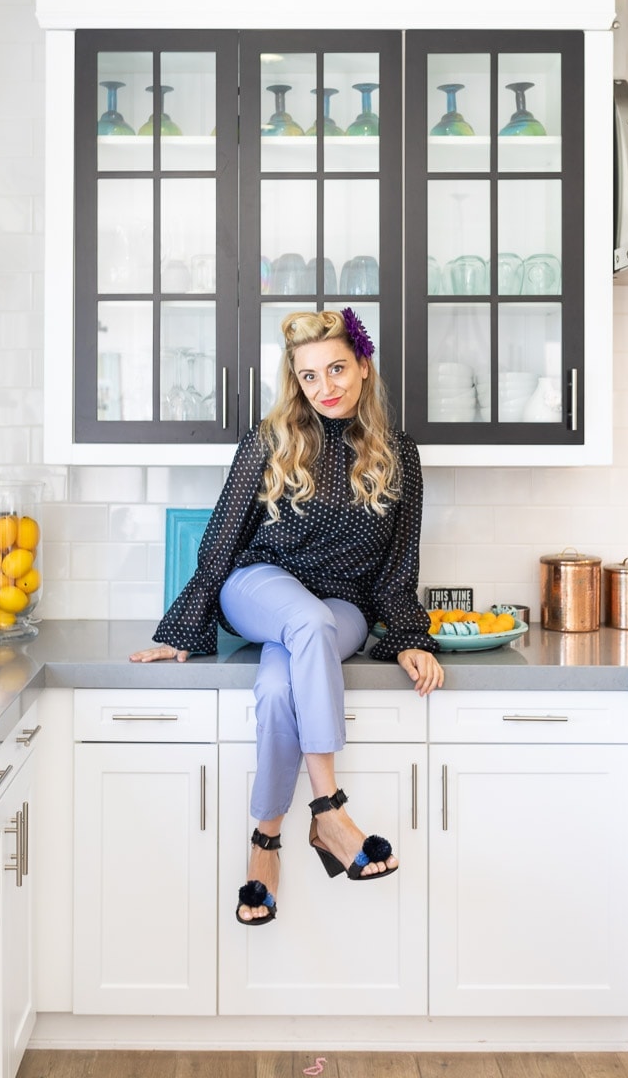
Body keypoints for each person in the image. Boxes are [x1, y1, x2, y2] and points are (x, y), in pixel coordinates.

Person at [130, 308, 444, 925]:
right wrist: (181, 629)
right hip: (259, 587)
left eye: (336, 369)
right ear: (294, 381)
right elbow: (221, 541)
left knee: (278, 689)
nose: (325, 387)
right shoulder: (271, 439)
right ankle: (328, 809)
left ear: (362, 366)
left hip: (341, 606)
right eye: (308, 377)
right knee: (307, 625)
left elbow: (399, 562)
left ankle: (264, 842)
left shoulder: (399, 453)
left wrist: (409, 637)